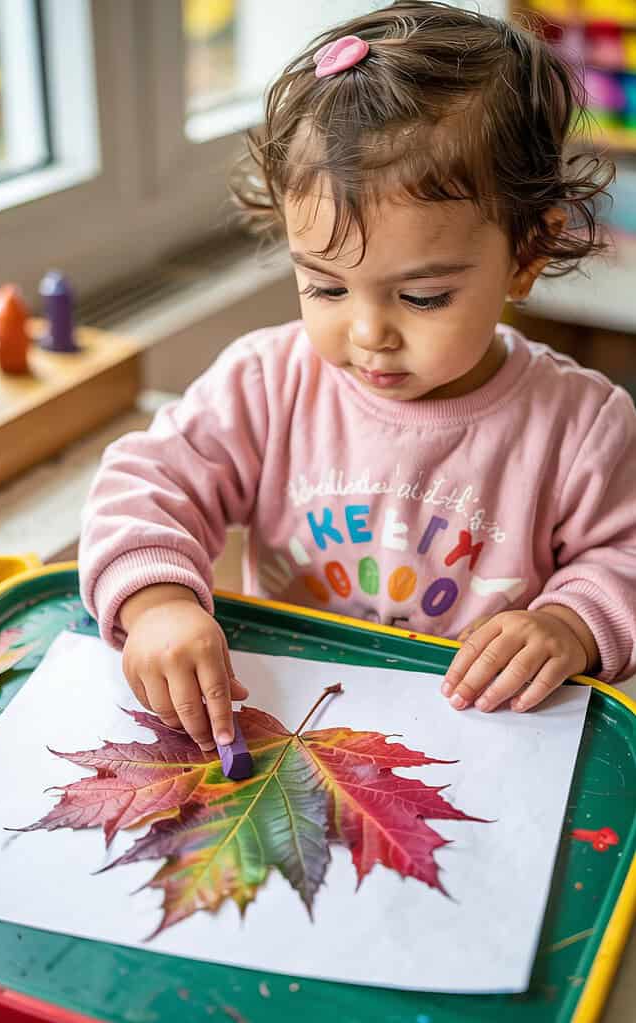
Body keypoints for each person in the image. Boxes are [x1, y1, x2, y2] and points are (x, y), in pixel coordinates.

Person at [79, 1, 636, 752]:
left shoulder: (582, 424)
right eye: (326, 287)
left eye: (422, 296)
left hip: (483, 741)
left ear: (527, 254)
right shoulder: (266, 383)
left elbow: (625, 555)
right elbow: (145, 484)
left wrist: (568, 623)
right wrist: (157, 602)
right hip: (295, 718)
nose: (368, 333)